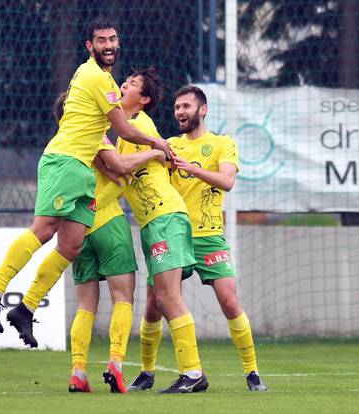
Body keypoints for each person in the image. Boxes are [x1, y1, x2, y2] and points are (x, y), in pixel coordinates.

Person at [0, 17, 174, 349]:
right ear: (89, 46)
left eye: (112, 39)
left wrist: (135, 160)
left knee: (71, 246)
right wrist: (156, 146)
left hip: (80, 172)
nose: (108, 45)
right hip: (64, 161)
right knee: (44, 229)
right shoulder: (98, 79)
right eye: (101, 40)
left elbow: (117, 165)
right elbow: (123, 134)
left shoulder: (102, 81)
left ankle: (25, 308)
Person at [127, 85, 267, 393]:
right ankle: (147, 372)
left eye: (186, 106)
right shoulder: (168, 145)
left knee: (230, 301)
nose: (180, 112)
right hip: (175, 233)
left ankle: (252, 371)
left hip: (209, 236)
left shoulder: (221, 143)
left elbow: (228, 181)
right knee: (154, 303)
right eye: (177, 107)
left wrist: (193, 169)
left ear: (202, 110)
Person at [45, 91, 165, 394]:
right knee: (123, 297)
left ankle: (78, 371)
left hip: (78, 228)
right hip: (108, 221)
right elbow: (121, 167)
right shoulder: (92, 136)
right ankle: (115, 363)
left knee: (85, 304)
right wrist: (153, 152)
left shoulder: (58, 148)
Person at [96, 73, 208, 394]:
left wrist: (154, 153)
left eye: (131, 84)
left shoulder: (140, 125)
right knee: (152, 305)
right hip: (151, 223)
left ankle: (193, 373)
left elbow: (120, 166)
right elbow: (120, 169)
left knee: (168, 296)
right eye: (126, 81)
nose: (124, 85)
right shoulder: (125, 132)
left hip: (165, 217)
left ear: (143, 99)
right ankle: (147, 373)